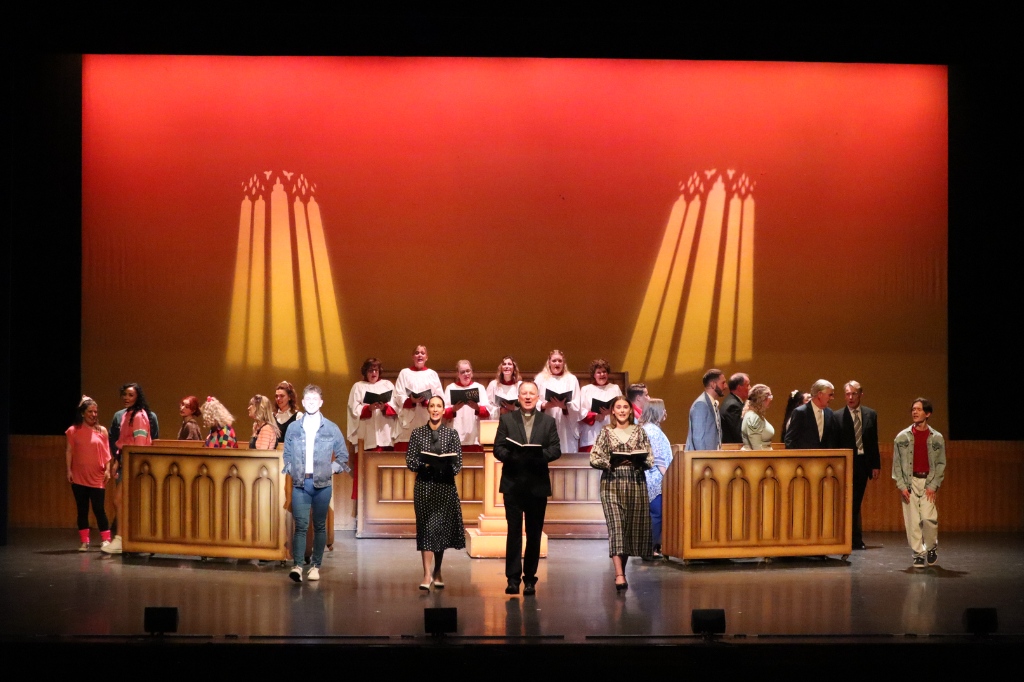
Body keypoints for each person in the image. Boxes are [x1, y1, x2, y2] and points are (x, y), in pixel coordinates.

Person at [493, 381, 562, 595]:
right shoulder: (506, 419)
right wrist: (511, 457)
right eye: (524, 393)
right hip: (513, 483)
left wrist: (539, 457)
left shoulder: (548, 422)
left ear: (538, 396)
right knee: (513, 533)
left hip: (537, 485)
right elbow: (498, 448)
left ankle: (530, 578)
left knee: (534, 534)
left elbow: (556, 449)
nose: (528, 396)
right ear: (518, 396)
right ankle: (512, 579)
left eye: (532, 393)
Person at [281, 385, 348, 582]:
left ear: (321, 402)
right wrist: (292, 469)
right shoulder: (294, 428)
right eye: (307, 399)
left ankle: (316, 566)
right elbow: (286, 454)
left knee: (319, 525)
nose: (311, 402)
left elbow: (343, 456)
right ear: (302, 402)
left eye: (314, 399)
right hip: (300, 484)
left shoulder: (331, 428)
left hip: (322, 484)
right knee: (300, 525)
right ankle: (298, 566)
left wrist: (331, 469)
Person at [590, 396, 653, 590]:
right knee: (616, 527)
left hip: (635, 482)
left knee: (628, 530)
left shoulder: (640, 432)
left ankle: (622, 572)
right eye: (618, 407)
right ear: (613, 411)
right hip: (612, 483)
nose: (623, 410)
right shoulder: (606, 432)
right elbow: (594, 457)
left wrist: (639, 461)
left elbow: (650, 458)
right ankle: (619, 575)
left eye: (626, 407)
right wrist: (610, 462)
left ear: (631, 410)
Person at [406, 396, 466, 589]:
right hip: (424, 485)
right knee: (426, 529)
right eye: (432, 406)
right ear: (428, 409)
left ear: (443, 410)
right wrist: (425, 464)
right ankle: (426, 574)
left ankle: (437, 570)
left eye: (438, 406)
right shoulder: (417, 433)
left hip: (445, 486)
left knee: (440, 529)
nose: (435, 409)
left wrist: (444, 465)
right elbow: (410, 460)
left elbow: (458, 465)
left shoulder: (452, 434)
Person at [892, 398, 945, 569]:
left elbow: (940, 464)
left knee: (929, 518)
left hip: (927, 481)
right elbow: (897, 464)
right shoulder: (902, 437)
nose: (915, 412)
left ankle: (931, 547)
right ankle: (918, 554)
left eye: (919, 409)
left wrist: (933, 485)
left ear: (927, 413)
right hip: (910, 481)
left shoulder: (936, 438)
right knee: (912, 521)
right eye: (913, 409)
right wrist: (901, 486)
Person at [102, 383, 154, 555]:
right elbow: (121, 442)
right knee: (122, 501)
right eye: (124, 394)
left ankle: (123, 538)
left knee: (121, 500)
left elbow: (139, 444)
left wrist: (133, 464)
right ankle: (124, 539)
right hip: (126, 460)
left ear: (137, 397)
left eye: (130, 395)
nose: (126, 398)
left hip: (134, 463)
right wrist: (118, 460)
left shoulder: (138, 416)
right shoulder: (127, 415)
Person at [834, 381, 881, 550]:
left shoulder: (870, 414)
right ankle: (850, 539)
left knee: (856, 502)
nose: (850, 397)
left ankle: (854, 539)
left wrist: (875, 465)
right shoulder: (837, 416)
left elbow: (873, 441)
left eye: (854, 394)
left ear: (860, 395)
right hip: (846, 465)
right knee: (848, 502)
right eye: (847, 394)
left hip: (863, 463)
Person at [66, 396, 112, 551]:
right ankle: (84, 541)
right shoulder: (74, 431)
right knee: (82, 509)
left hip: (97, 475)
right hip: (79, 475)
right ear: (83, 413)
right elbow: (69, 451)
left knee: (99, 508)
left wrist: (107, 469)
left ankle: (106, 539)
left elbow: (107, 453)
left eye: (95, 411)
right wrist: (69, 470)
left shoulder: (102, 431)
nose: (94, 414)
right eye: (90, 411)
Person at [393, 345, 443, 450]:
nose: (419, 355)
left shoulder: (432, 374)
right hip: (408, 421)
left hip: (426, 417)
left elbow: (439, 397)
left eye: (422, 353)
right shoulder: (404, 373)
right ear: (412, 357)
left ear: (426, 357)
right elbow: (398, 394)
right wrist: (411, 400)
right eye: (417, 353)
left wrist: (428, 402)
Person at [640, 399, 672, 559]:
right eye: (663, 409)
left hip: (653, 477)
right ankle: (649, 548)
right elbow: (658, 458)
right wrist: (669, 477)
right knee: (657, 513)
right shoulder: (652, 431)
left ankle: (654, 546)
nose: (665, 412)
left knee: (656, 513)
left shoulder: (649, 429)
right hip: (655, 478)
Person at [535, 349, 581, 453]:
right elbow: (534, 400)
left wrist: (564, 406)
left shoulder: (571, 379)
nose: (557, 363)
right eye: (554, 361)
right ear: (549, 362)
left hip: (566, 424)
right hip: (546, 419)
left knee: (565, 451)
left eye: (560, 361)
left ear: (564, 363)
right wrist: (545, 405)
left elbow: (577, 403)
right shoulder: (540, 378)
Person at [347, 357, 398, 451]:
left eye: (376, 370)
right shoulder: (358, 386)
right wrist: (368, 408)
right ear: (365, 372)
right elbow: (353, 410)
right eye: (371, 370)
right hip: (366, 436)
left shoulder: (387, 385)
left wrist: (385, 407)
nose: (374, 373)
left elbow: (396, 407)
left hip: (385, 434)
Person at [443, 359, 494, 450]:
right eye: (462, 372)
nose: (466, 374)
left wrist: (477, 407)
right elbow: (444, 413)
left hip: (474, 436)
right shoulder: (450, 388)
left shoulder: (479, 388)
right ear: (458, 374)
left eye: (468, 371)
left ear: (472, 372)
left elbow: (488, 412)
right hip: (456, 433)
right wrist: (454, 409)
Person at [578, 359, 622, 452]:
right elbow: (580, 411)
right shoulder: (586, 389)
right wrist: (595, 416)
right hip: (591, 433)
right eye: (599, 372)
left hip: (611, 430)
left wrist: (611, 411)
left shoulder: (614, 388)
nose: (602, 375)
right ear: (594, 375)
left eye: (604, 372)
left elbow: (623, 407)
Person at [784, 380, 838, 449]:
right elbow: (790, 440)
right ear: (820, 394)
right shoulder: (800, 412)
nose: (832, 398)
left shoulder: (829, 413)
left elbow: (831, 440)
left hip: (824, 458)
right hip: (804, 458)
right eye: (830, 395)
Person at [685, 369, 725, 451]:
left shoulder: (710, 403)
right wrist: (705, 460)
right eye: (723, 383)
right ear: (713, 384)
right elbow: (698, 438)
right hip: (701, 461)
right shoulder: (701, 404)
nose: (725, 386)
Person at [741, 384, 775, 450]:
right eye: (770, 396)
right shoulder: (753, 417)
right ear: (762, 399)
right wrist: (764, 460)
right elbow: (756, 447)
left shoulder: (756, 415)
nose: (771, 399)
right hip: (757, 459)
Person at [721, 372, 750, 444]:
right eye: (748, 385)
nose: (750, 388)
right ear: (739, 387)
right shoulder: (733, 406)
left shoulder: (733, 402)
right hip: (733, 451)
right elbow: (740, 434)